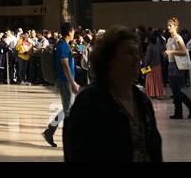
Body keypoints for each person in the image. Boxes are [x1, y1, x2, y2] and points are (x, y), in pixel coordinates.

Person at [63, 27, 161, 162]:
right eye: (129, 53)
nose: (137, 58)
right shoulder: (89, 101)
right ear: (110, 59)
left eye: (137, 52)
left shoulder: (142, 101)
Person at [41, 21, 80, 147]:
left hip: (66, 80)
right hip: (64, 81)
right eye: (73, 31)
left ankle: (50, 131)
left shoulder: (64, 44)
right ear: (69, 32)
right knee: (69, 110)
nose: (74, 33)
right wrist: (72, 82)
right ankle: (69, 138)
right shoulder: (63, 46)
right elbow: (64, 64)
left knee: (68, 109)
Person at [164, 17, 191, 119]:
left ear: (176, 26)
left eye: (171, 25)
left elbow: (183, 51)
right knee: (174, 90)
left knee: (176, 90)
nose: (168, 27)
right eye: (168, 25)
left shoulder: (178, 38)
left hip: (177, 66)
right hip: (171, 65)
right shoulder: (169, 39)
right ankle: (178, 112)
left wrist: (171, 52)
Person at [143, 32, 166, 99]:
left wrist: (145, 66)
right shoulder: (157, 46)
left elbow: (147, 58)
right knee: (157, 80)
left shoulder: (149, 47)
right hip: (158, 65)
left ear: (149, 40)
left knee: (149, 79)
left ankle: (152, 94)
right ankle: (158, 93)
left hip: (151, 66)